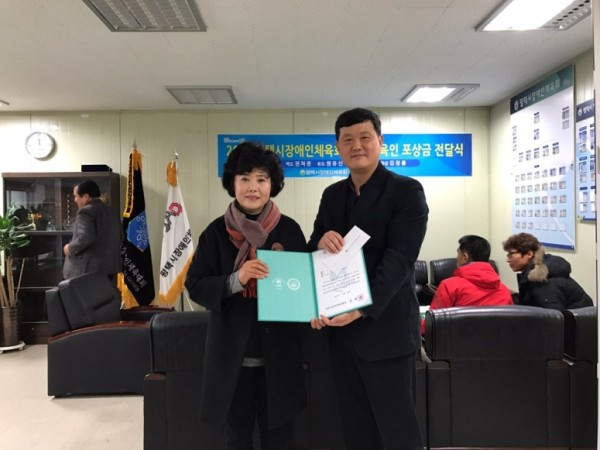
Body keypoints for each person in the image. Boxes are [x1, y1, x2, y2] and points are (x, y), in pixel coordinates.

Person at [308, 108, 429, 450]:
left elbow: (400, 259)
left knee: (397, 429)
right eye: (347, 139)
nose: (356, 146)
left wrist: (361, 308)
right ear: (337, 146)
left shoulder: (406, 191)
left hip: (386, 329)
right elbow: (313, 248)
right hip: (340, 333)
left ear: (380, 141)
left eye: (364, 137)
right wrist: (320, 240)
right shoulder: (333, 195)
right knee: (355, 426)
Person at [184, 142, 307, 449]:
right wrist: (236, 280)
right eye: (245, 178)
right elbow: (195, 285)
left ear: (272, 184)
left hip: (280, 356)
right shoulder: (216, 233)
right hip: (231, 358)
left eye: (261, 179)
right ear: (232, 183)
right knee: (237, 437)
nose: (253, 187)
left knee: (279, 438)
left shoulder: (289, 231)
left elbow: (304, 287)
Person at [502, 232, 593, 310]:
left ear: (529, 254)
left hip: (577, 324)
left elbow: (553, 318)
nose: (508, 260)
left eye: (511, 254)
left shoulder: (543, 280)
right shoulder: (536, 272)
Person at [429, 235, 513, 310]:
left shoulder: (449, 286)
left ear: (465, 257)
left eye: (458, 253)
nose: (456, 258)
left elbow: (433, 320)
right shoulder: (504, 291)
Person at [63, 180, 122, 282]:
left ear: (86, 196)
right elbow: (121, 236)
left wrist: (69, 248)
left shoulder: (85, 211)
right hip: (109, 269)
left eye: (76, 196)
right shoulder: (112, 212)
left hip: (85, 272)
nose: (75, 200)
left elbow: (85, 238)